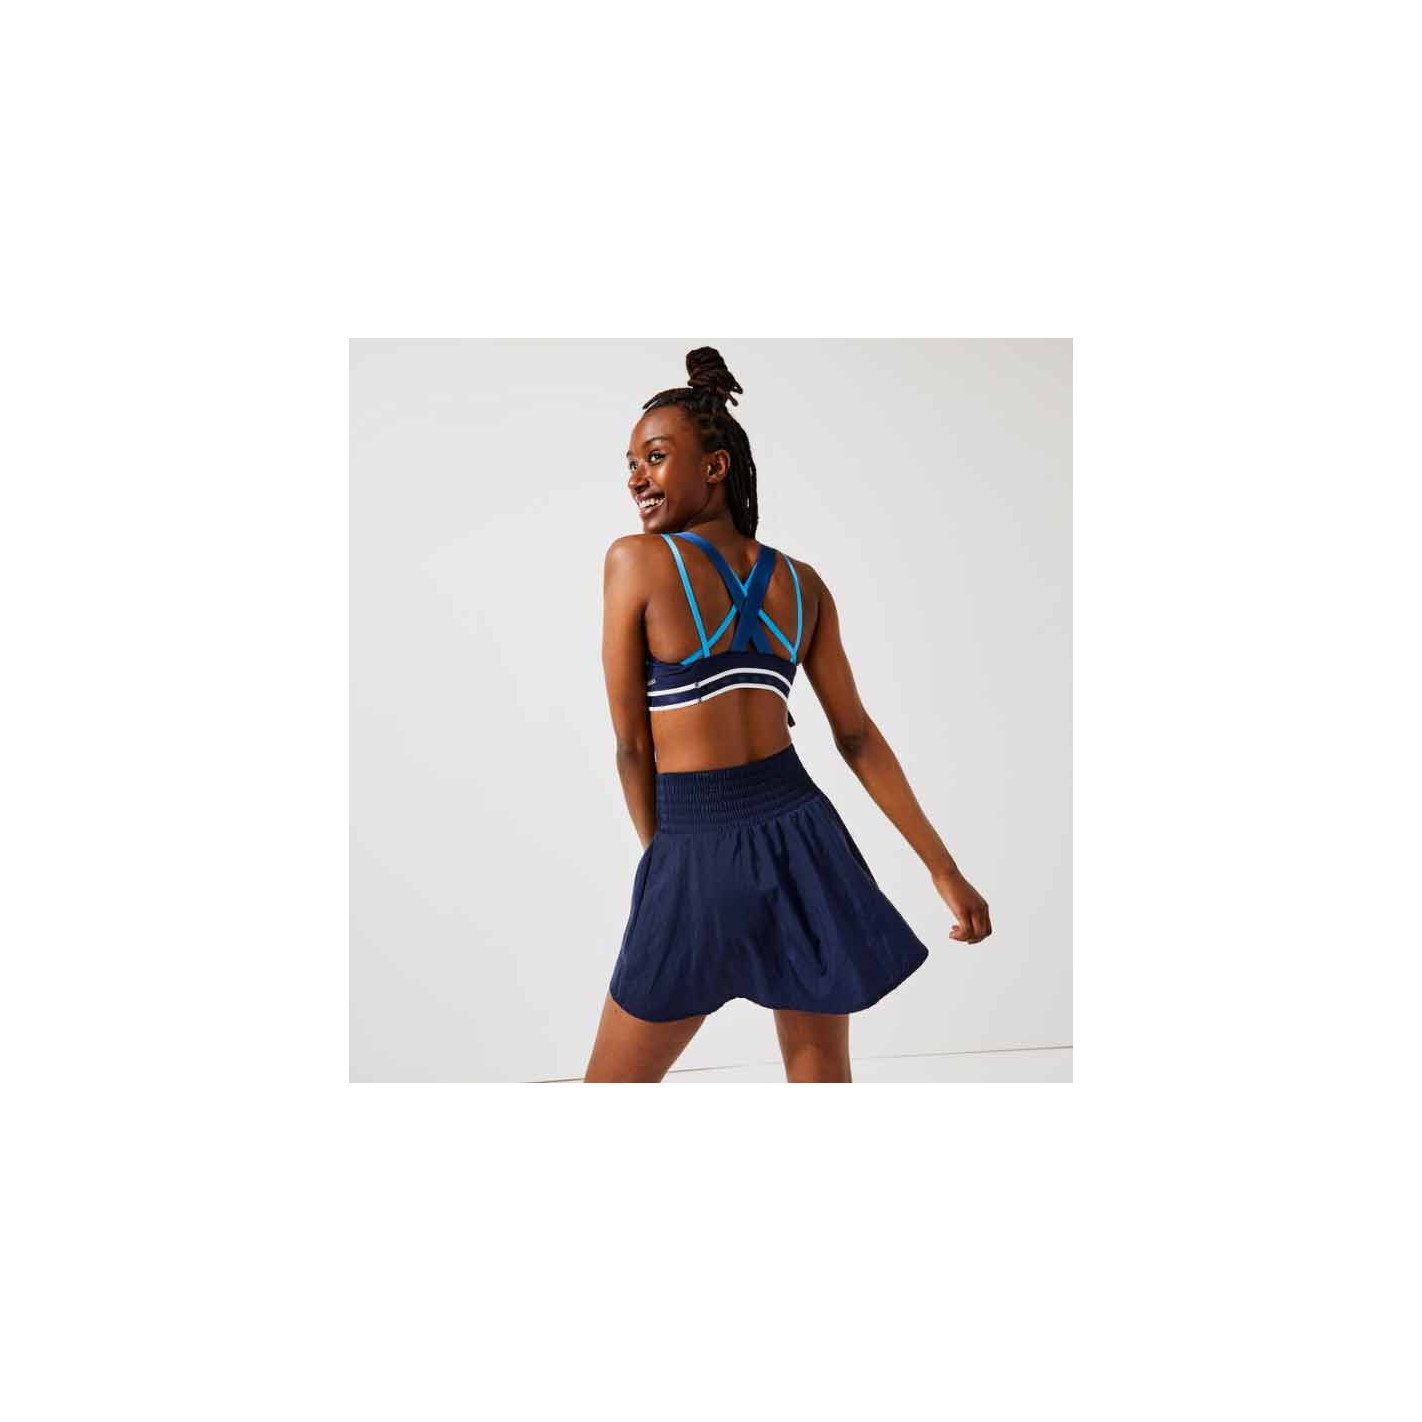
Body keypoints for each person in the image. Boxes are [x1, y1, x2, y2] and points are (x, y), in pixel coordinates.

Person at [583, 347, 990, 1083]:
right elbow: (857, 737)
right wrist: (945, 871)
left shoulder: (635, 561)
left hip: (696, 838)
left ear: (716, 467)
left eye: (656, 457)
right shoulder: (802, 585)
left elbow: (631, 747)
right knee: (820, 1077)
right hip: (803, 837)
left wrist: (664, 861)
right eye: (631, 464)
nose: (636, 477)